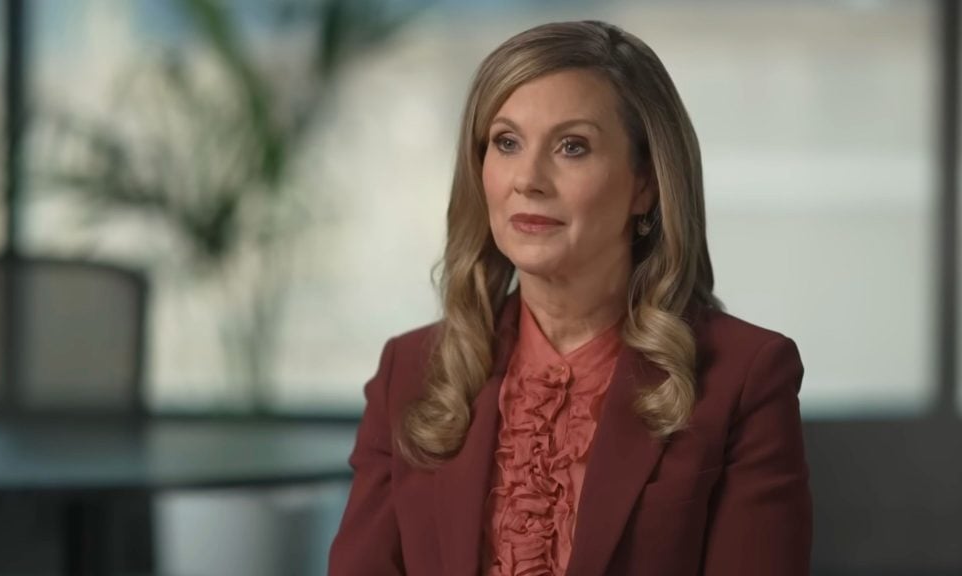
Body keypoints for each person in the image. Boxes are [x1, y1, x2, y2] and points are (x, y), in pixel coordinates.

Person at [329, 19, 811, 576]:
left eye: (572, 147)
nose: (528, 179)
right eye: (506, 142)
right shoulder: (408, 372)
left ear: (646, 183)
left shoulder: (746, 377)